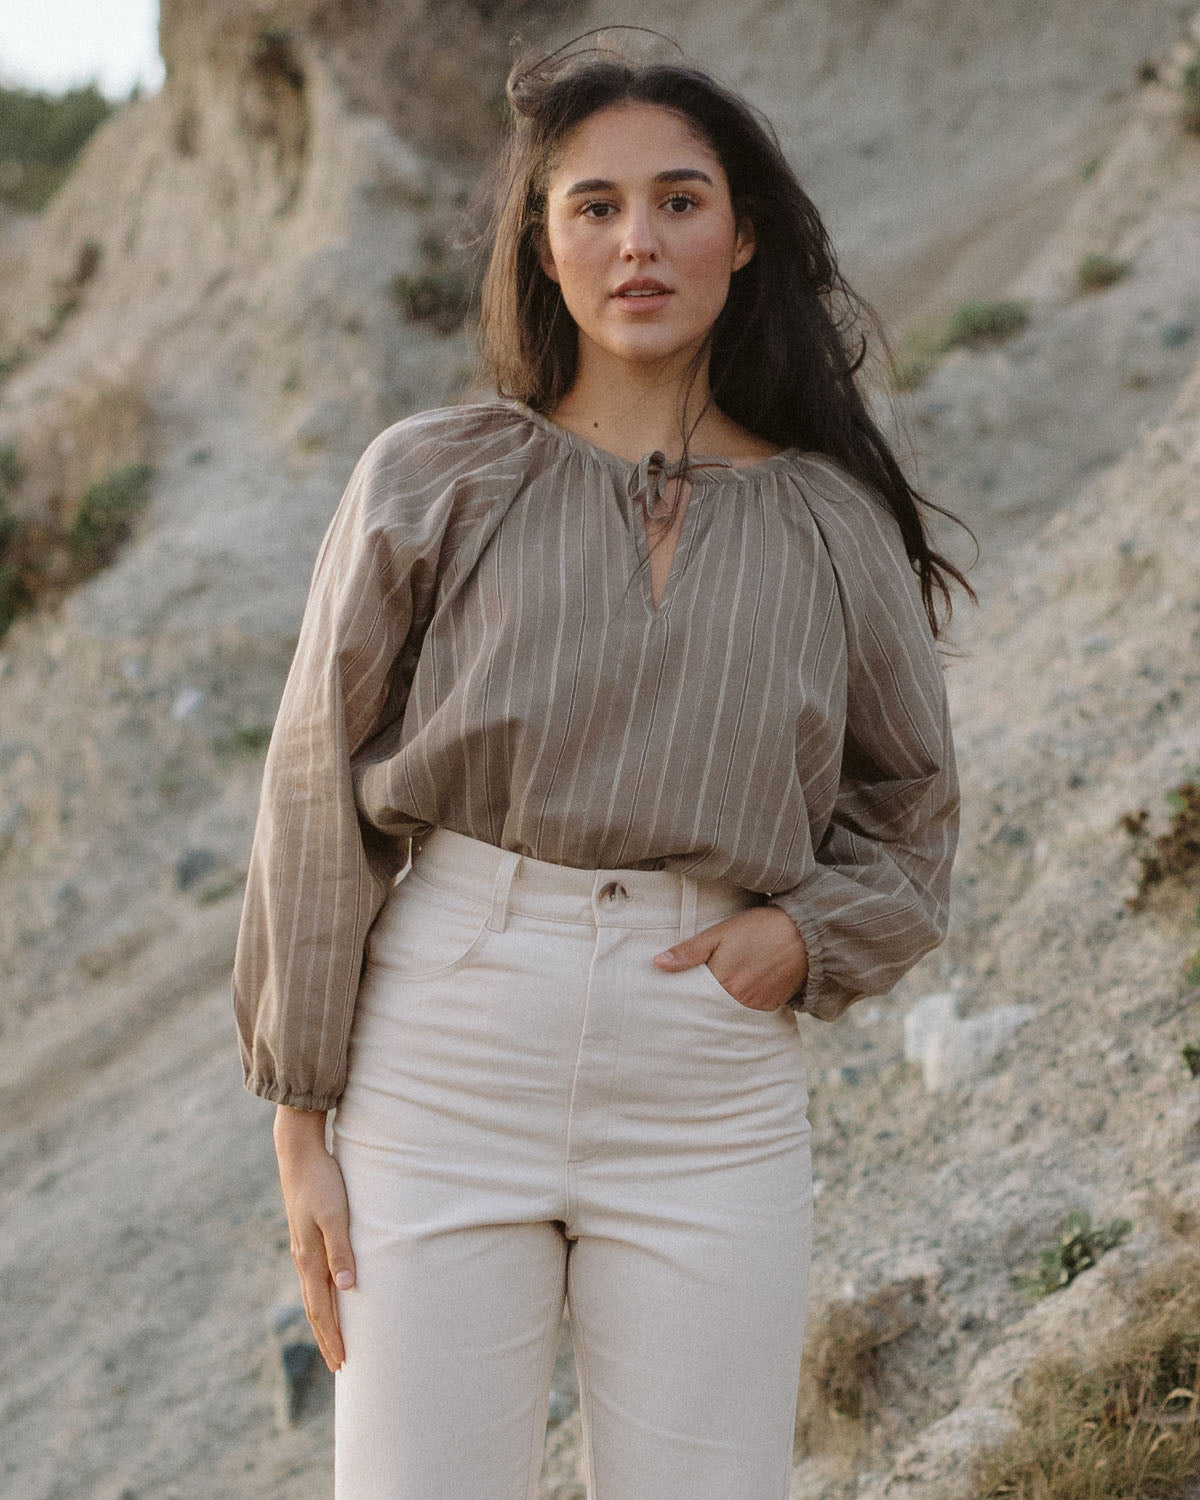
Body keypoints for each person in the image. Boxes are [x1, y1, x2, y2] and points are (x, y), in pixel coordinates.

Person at [233, 35, 970, 1500]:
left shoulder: (831, 522)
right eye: (595, 206)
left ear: (744, 237)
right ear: (543, 242)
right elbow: (315, 789)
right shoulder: (432, 480)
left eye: (681, 201)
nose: (640, 240)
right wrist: (298, 1116)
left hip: (706, 1070)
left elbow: (912, 810)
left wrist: (801, 937)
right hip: (444, 1042)